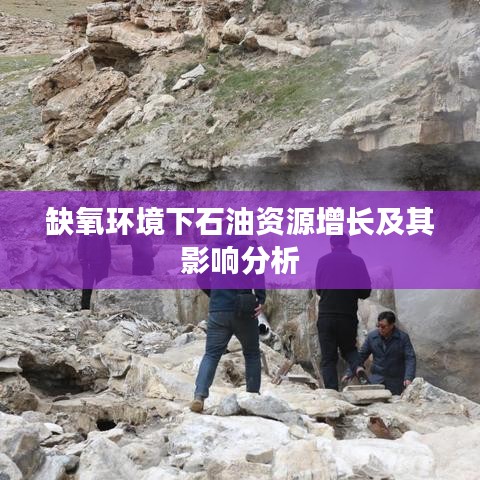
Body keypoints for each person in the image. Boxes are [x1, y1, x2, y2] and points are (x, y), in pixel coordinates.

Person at [191, 237, 266, 413]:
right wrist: (260, 299)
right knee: (252, 353)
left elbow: (201, 278)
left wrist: (215, 295)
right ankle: (252, 397)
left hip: (218, 311)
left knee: (211, 355)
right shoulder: (249, 246)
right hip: (244, 311)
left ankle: (199, 396)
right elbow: (258, 274)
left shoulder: (211, 247)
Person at [315, 234, 371, 391]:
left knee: (328, 358)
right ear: (348, 244)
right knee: (349, 350)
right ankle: (358, 367)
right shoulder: (358, 261)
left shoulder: (322, 261)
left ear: (331, 245)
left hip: (326, 316)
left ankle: (332, 392)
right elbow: (365, 292)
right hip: (347, 316)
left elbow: (318, 289)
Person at [352, 311, 416, 395]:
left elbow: (410, 358)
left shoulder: (402, 338)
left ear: (392, 325)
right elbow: (361, 355)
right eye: (378, 326)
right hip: (376, 380)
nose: (380, 329)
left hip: (395, 382)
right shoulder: (372, 337)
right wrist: (350, 371)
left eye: (383, 327)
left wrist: (408, 378)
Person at [77, 233, 111, 310]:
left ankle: (101, 307)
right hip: (89, 266)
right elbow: (81, 249)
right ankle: (85, 308)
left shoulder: (103, 234)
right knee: (87, 287)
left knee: (102, 288)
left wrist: (107, 262)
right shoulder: (85, 233)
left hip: (102, 266)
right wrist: (84, 263)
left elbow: (107, 249)